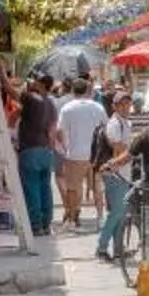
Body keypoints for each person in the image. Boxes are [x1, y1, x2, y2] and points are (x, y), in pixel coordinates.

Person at [55, 78, 107, 228]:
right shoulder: (98, 107)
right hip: (95, 154)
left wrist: (65, 147)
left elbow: (59, 130)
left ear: (72, 91)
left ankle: (73, 218)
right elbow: (107, 127)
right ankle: (100, 218)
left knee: (73, 187)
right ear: (88, 91)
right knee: (97, 186)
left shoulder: (67, 108)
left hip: (75, 153)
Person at [93, 88, 135, 261]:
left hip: (123, 174)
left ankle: (118, 249)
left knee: (121, 213)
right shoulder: (114, 124)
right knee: (117, 213)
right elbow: (117, 146)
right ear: (114, 106)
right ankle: (101, 247)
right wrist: (133, 150)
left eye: (128, 104)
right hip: (115, 174)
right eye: (122, 104)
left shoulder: (126, 123)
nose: (126, 107)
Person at [16, 71, 59, 236]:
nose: (32, 82)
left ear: (40, 84)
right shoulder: (51, 104)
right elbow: (52, 131)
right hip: (45, 150)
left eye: (35, 81)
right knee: (45, 188)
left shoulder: (31, 98)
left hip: (30, 150)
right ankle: (46, 223)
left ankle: (36, 225)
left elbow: (8, 89)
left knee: (31, 188)